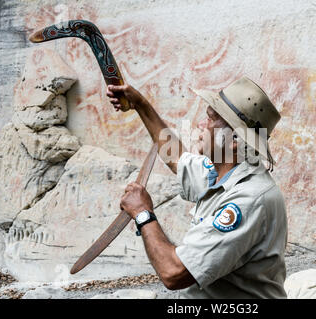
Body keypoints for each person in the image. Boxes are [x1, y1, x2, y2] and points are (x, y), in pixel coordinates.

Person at [107, 76, 287, 298]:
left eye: (211, 119)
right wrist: (140, 104)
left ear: (234, 141)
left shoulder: (249, 200)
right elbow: (176, 157)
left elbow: (174, 273)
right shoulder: (219, 171)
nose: (201, 125)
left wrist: (143, 214)